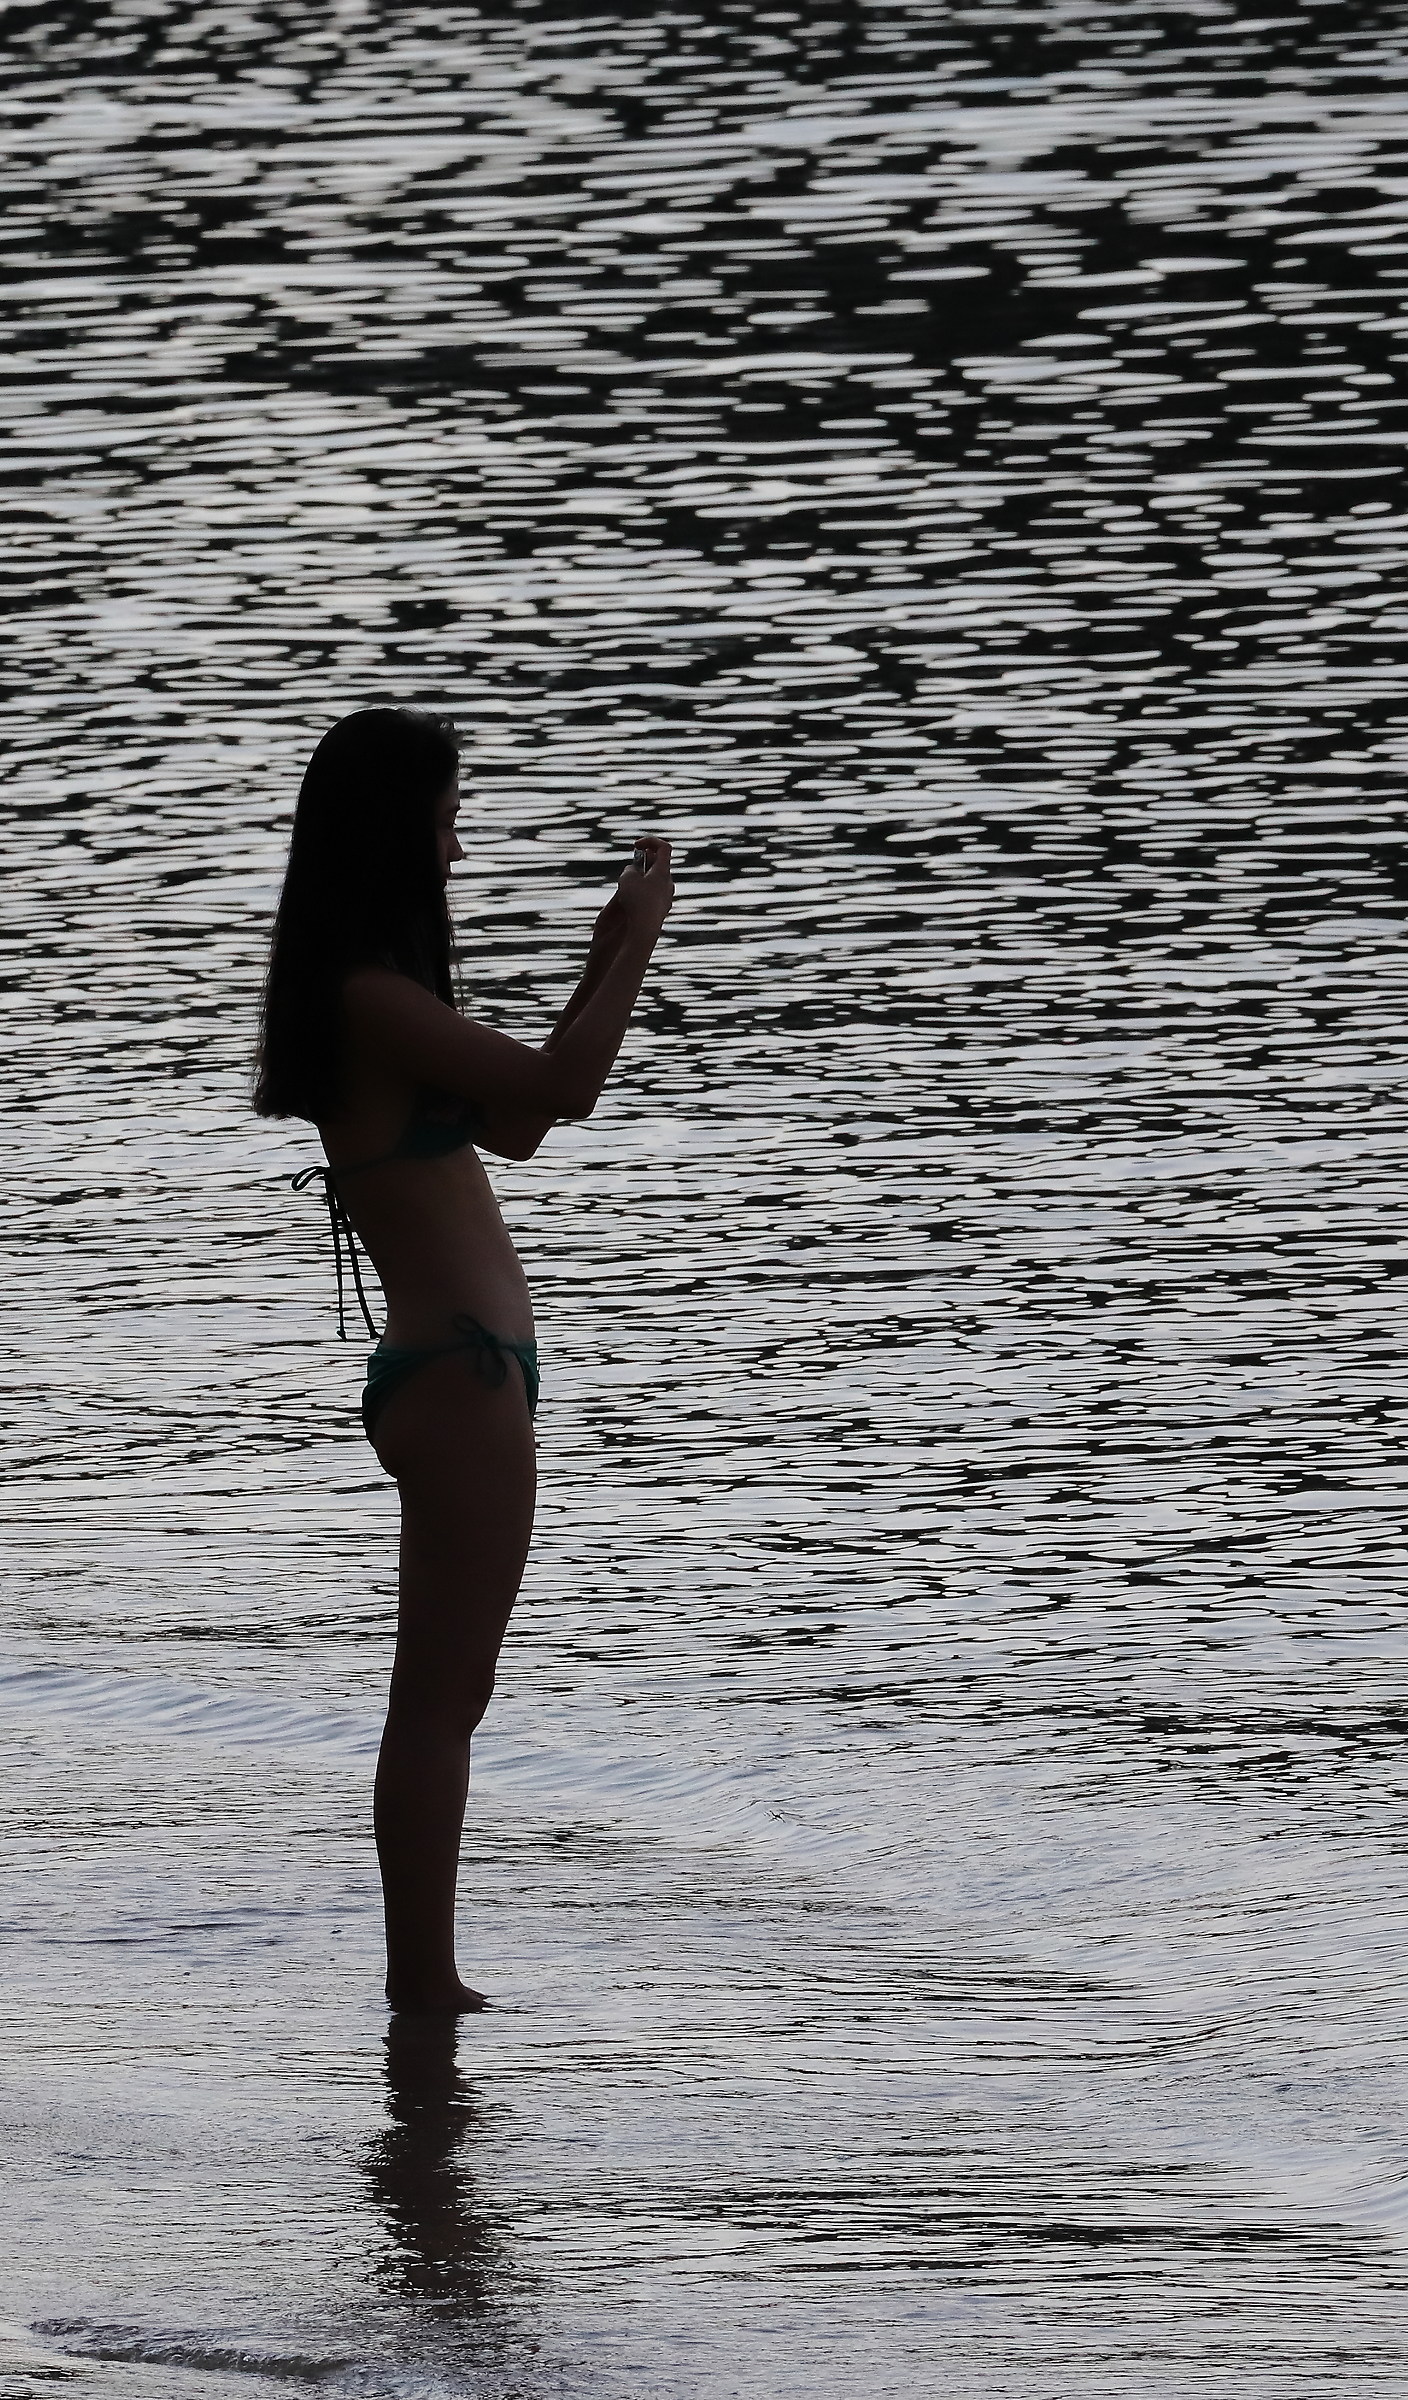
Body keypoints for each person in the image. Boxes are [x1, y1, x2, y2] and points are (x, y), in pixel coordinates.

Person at [254, 706, 674, 2012]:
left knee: (457, 1692)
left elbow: (524, 1123)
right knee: (435, 1704)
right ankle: (421, 1987)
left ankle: (425, 1981)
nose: (459, 841)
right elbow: (571, 1087)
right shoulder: (367, 1001)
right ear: (393, 828)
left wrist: (604, 960)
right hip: (458, 1375)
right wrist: (635, 941)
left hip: (462, 1373)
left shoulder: (386, 999)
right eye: (446, 814)